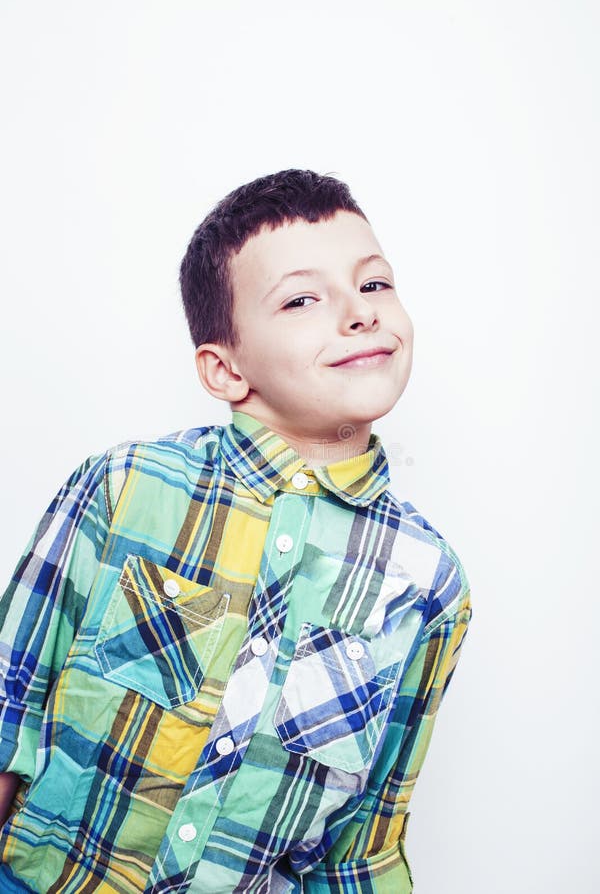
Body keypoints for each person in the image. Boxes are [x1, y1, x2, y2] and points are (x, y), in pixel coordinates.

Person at [0, 168, 473, 892]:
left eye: (374, 285)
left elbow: (362, 848)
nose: (358, 313)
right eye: (302, 299)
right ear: (224, 370)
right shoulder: (125, 487)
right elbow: (9, 712)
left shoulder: (429, 581)